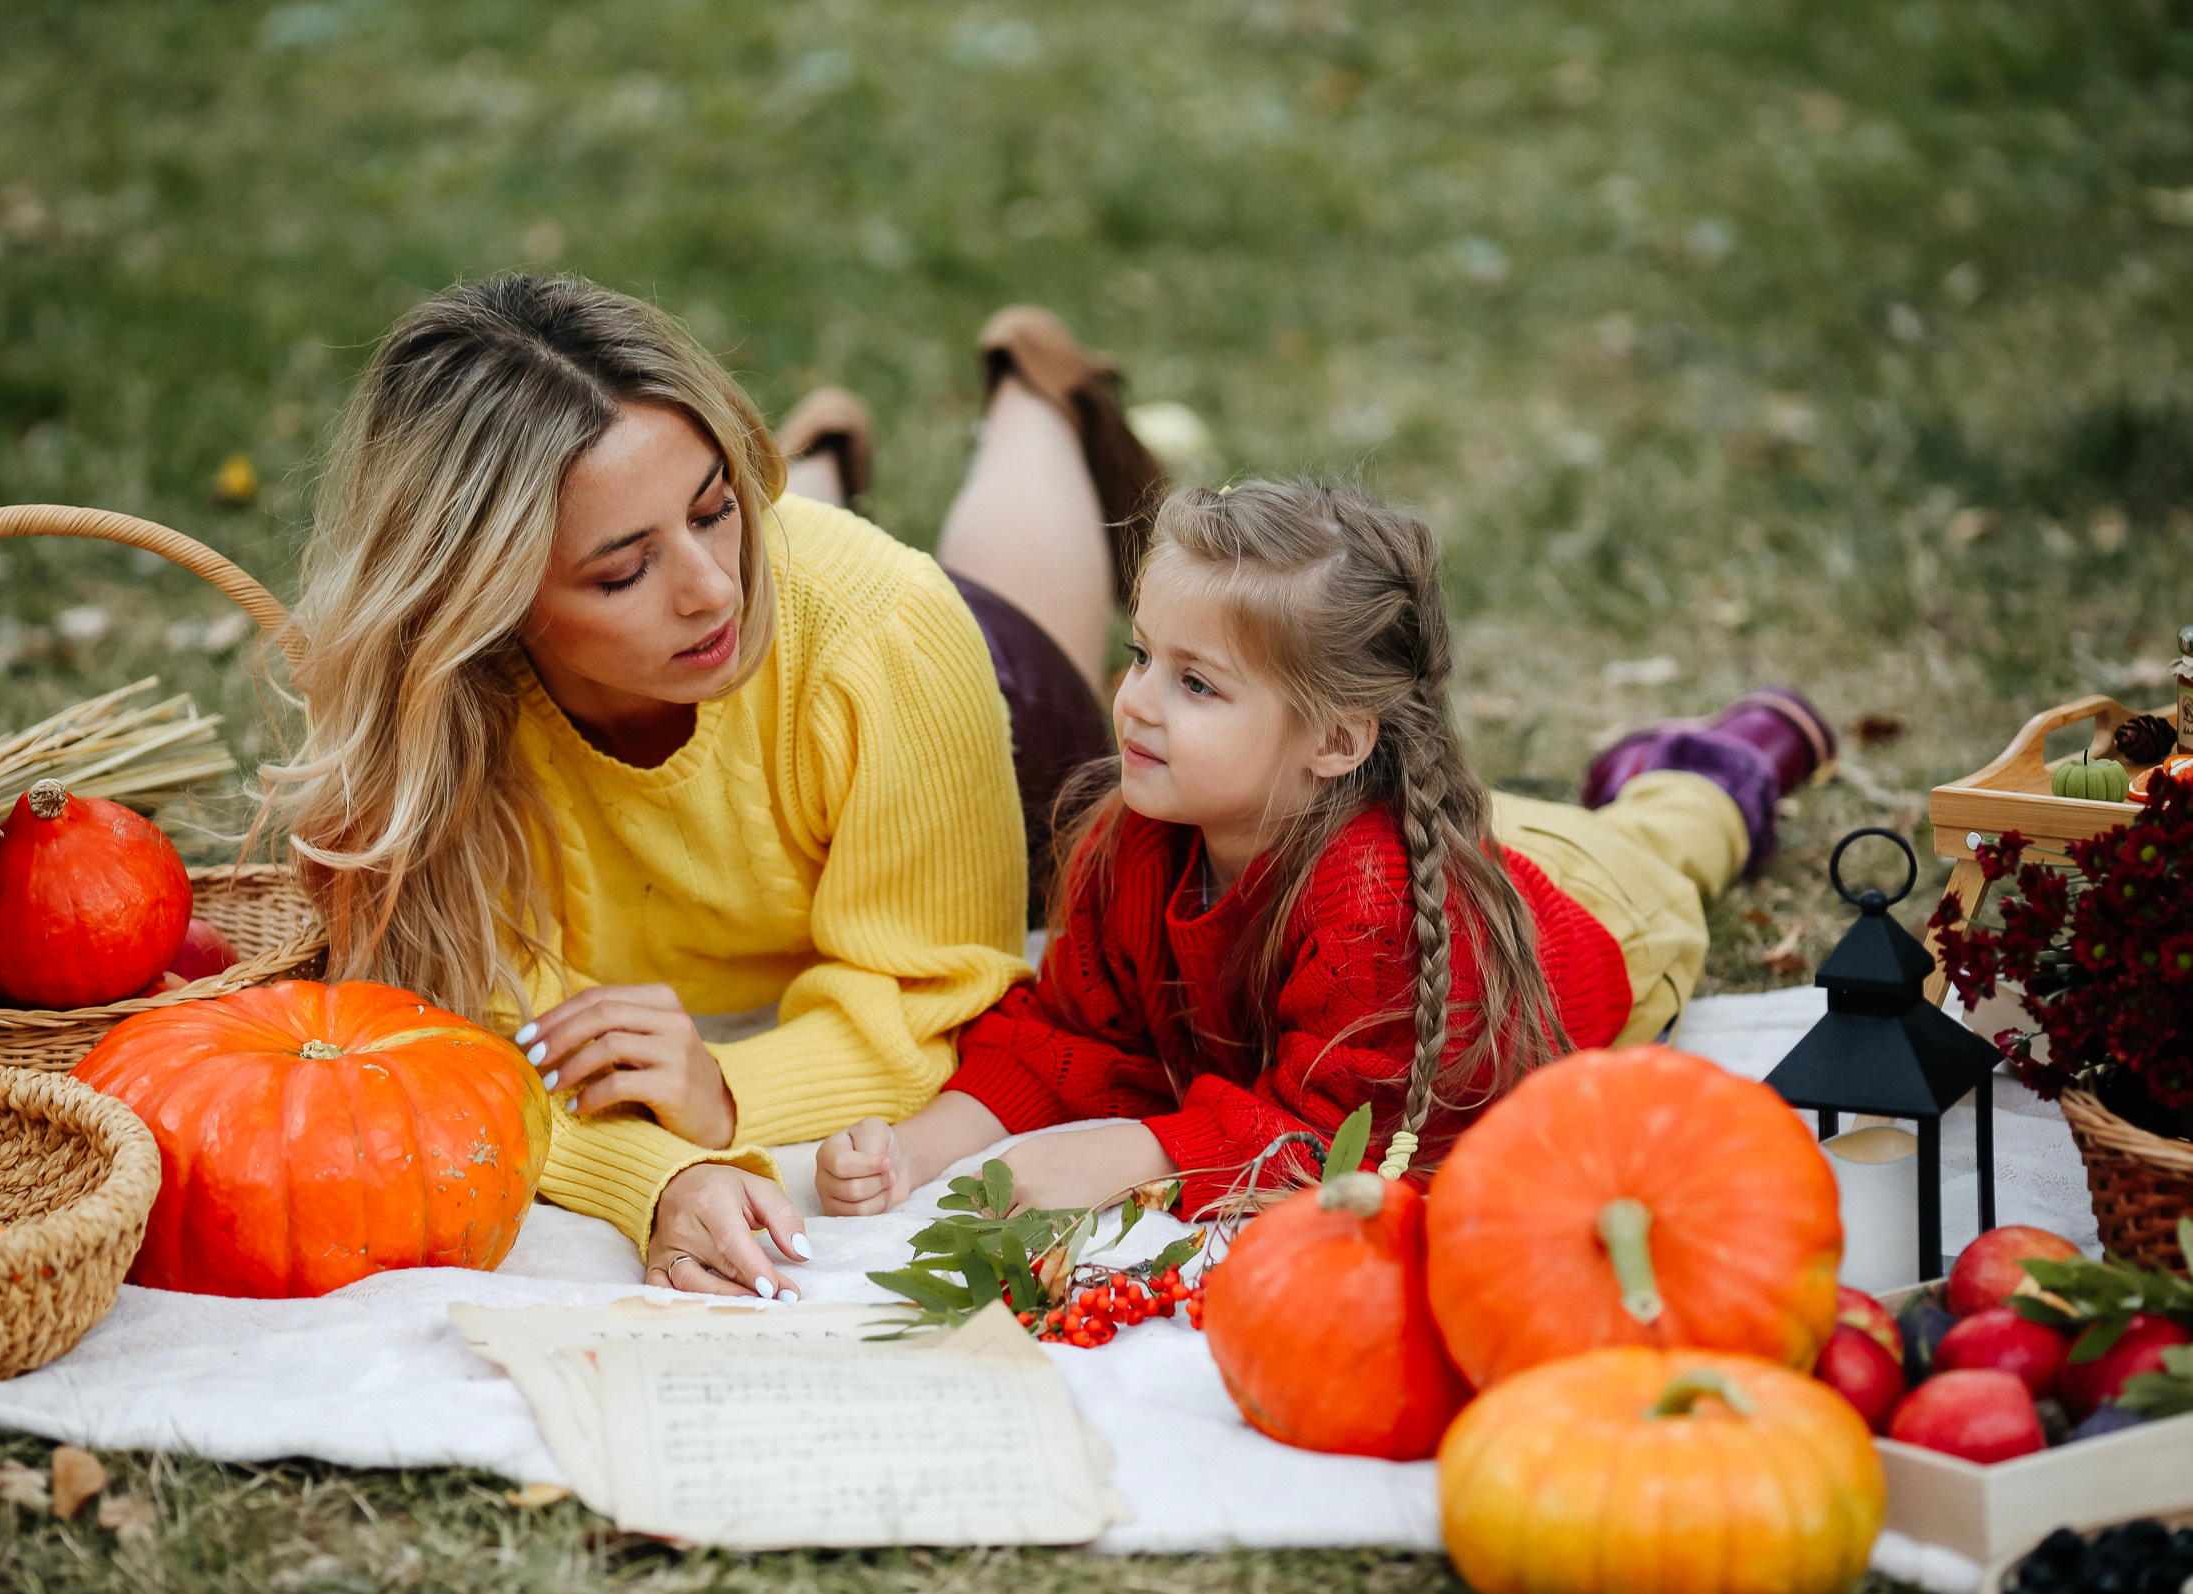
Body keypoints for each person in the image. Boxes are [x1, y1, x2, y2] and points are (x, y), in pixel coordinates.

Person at [262, 274, 1161, 1297]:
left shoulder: (888, 632)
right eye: (620, 572)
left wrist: (723, 1095)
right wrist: (659, 1173)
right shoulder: (441, 721)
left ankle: (1029, 395)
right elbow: (479, 1054)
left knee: (996, 598)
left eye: (717, 506)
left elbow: (933, 1002)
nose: (708, 586)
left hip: (979, 705)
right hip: (773, 664)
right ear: (488, 600)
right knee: (754, 571)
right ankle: (807, 468)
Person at [813, 480, 1833, 1219]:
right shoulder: (1141, 838)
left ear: (1337, 739)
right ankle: (1647, 770)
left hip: (1602, 916)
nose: (1135, 701)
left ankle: (1727, 761)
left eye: (1196, 683)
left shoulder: (1380, 911)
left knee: (1664, 835)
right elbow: (1070, 1033)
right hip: (1440, 845)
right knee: (1528, 824)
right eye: (1140, 656)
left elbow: (1343, 1144)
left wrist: (1130, 1153)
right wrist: (918, 1144)